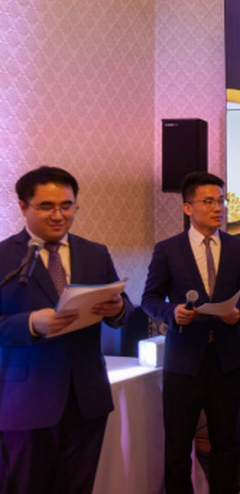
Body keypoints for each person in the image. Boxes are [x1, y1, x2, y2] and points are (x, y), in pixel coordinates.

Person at [0, 166, 133, 494]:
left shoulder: (95, 253)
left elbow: (124, 309)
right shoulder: (4, 256)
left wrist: (117, 309)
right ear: (23, 207)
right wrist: (30, 323)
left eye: (67, 206)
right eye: (47, 206)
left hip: (87, 398)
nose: (59, 215)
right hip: (26, 400)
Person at [142, 171, 240, 494]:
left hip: (226, 360)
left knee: (225, 443)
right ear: (187, 208)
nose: (218, 208)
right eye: (208, 201)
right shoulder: (168, 250)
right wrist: (173, 313)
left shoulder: (238, 249)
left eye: (221, 201)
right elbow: (149, 299)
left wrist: (239, 311)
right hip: (183, 362)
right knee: (177, 447)